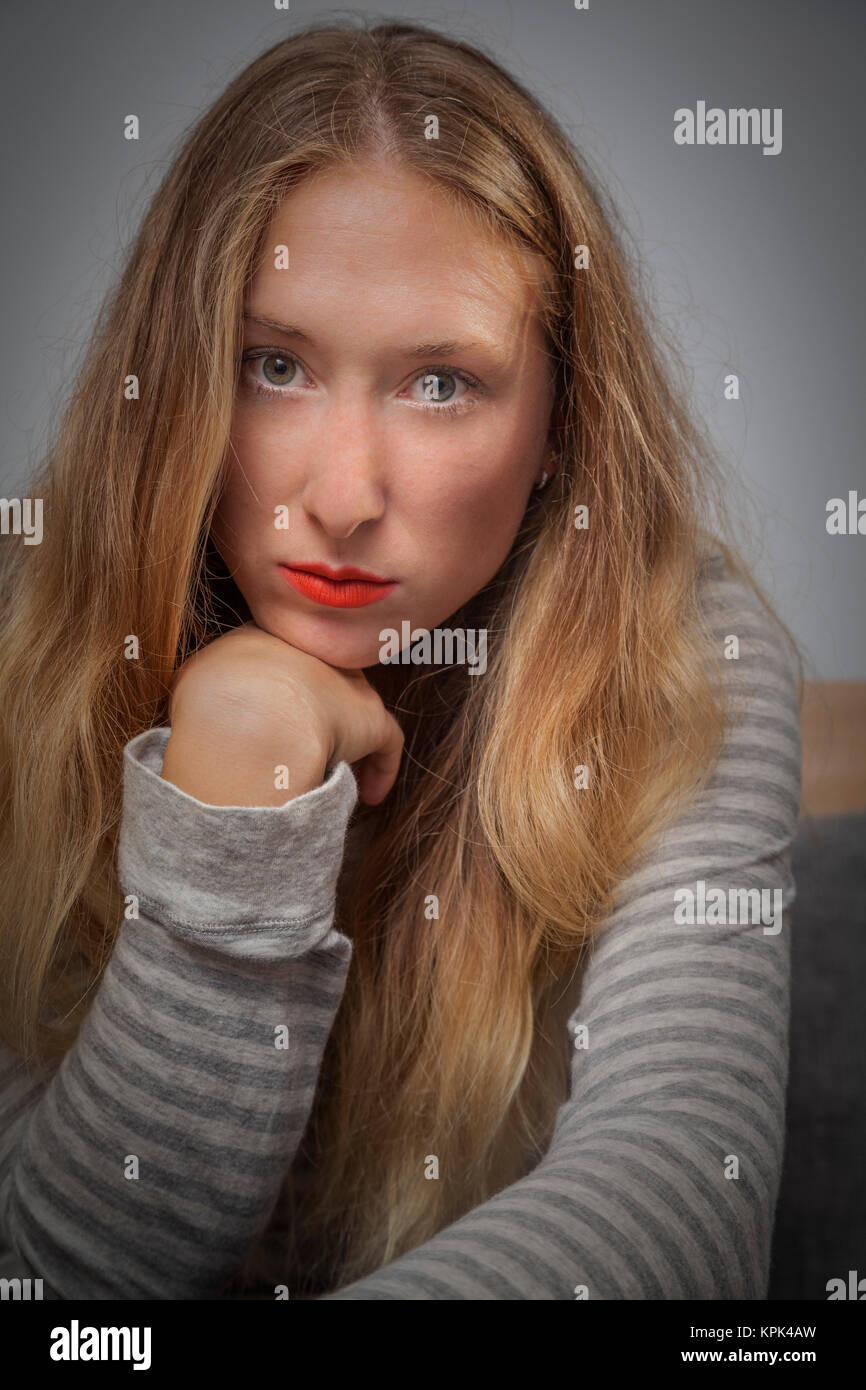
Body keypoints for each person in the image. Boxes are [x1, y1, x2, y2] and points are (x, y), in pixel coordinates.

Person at [0, 19, 801, 1300]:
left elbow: (677, 1199)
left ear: (560, 421)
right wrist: (231, 815)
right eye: (274, 366)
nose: (341, 494)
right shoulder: (21, 639)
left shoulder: (676, 650)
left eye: (441, 384)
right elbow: (53, 1287)